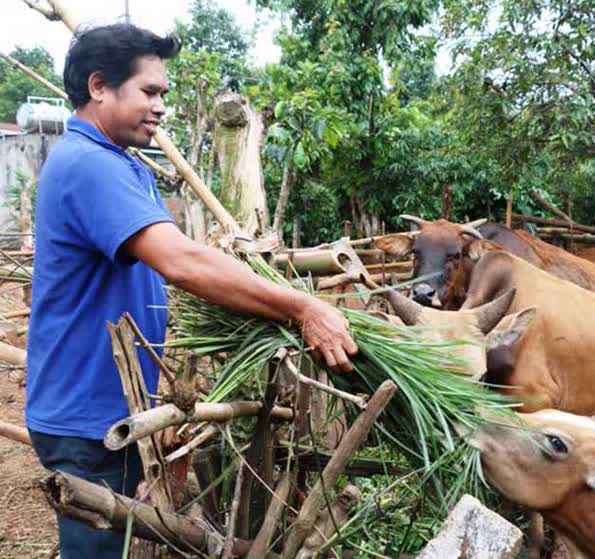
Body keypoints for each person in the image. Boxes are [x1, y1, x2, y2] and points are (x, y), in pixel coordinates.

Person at [25, 23, 358, 558]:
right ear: (98, 87)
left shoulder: (121, 164)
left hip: (107, 404)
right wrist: (302, 306)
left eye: (165, 94)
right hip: (86, 417)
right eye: (149, 92)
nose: (162, 107)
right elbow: (179, 262)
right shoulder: (88, 166)